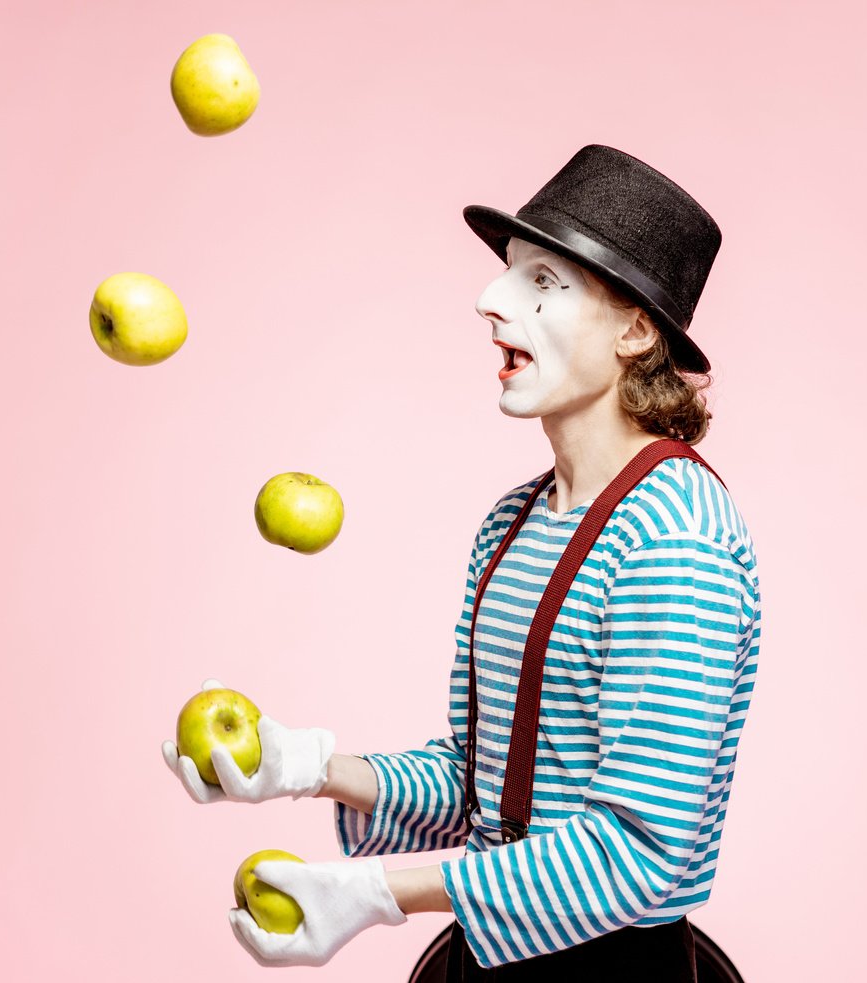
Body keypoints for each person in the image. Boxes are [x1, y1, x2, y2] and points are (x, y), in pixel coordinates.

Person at [161, 145, 762, 979]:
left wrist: (375, 890)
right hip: (486, 956)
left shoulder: (674, 534)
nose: (489, 301)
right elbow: (489, 796)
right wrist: (306, 768)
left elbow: (637, 852)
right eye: (508, 274)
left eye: (543, 284)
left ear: (634, 329)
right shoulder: (511, 524)